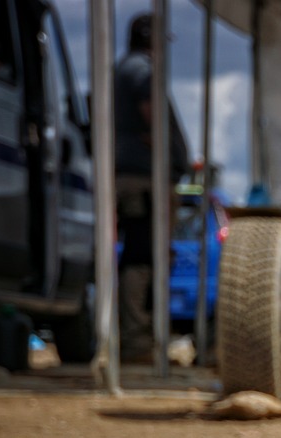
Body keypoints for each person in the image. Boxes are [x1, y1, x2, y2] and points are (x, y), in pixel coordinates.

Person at [114, 12, 190, 363]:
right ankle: (138, 340)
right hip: (143, 178)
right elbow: (152, 114)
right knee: (143, 255)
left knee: (140, 253)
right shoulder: (140, 70)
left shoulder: (124, 68)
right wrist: (165, 149)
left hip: (138, 174)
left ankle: (138, 337)